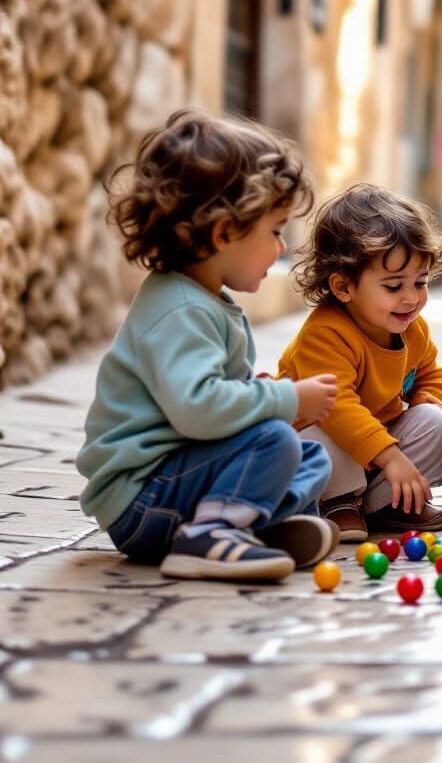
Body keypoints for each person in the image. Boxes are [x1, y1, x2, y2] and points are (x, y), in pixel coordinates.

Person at [77, 110, 339, 582]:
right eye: (276, 230)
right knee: (277, 439)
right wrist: (282, 399)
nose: (281, 247)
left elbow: (204, 398)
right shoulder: (182, 310)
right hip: (142, 500)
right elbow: (197, 408)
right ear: (224, 232)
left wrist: (252, 394)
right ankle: (211, 535)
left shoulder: (201, 299)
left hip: (173, 484)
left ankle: (245, 529)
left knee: (309, 455)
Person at [279, 183, 442, 541]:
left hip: (373, 446)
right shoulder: (326, 333)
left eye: (420, 282)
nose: (411, 298)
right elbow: (338, 407)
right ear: (344, 287)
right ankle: (337, 502)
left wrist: (422, 406)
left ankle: (389, 503)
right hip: (319, 442)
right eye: (393, 287)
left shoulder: (412, 329)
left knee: (434, 420)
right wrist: (391, 459)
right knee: (320, 431)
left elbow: (431, 379)